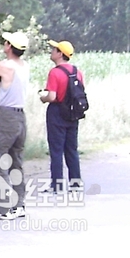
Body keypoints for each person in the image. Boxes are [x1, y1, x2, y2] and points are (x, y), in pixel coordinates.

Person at [0, 30, 30, 220]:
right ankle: (19, 205)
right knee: (16, 161)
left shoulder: (2, 66)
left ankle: (2, 208)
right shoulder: (25, 66)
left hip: (5, 116)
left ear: (9, 47)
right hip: (20, 116)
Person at [38, 39, 84, 191]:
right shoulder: (78, 72)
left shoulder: (55, 72)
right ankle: (75, 182)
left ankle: (56, 184)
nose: (52, 51)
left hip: (57, 112)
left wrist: (42, 97)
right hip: (73, 112)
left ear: (60, 54)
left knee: (56, 149)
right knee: (71, 148)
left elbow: (52, 96)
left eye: (54, 49)